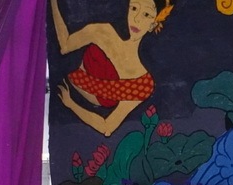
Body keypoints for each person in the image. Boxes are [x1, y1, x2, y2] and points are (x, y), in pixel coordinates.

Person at [52, 0, 172, 137]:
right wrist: (53, 3)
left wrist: (71, 104)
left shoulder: (143, 83)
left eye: (146, 14)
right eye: (134, 8)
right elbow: (65, 46)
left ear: (153, 24)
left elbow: (107, 127)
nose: (136, 19)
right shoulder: (102, 32)